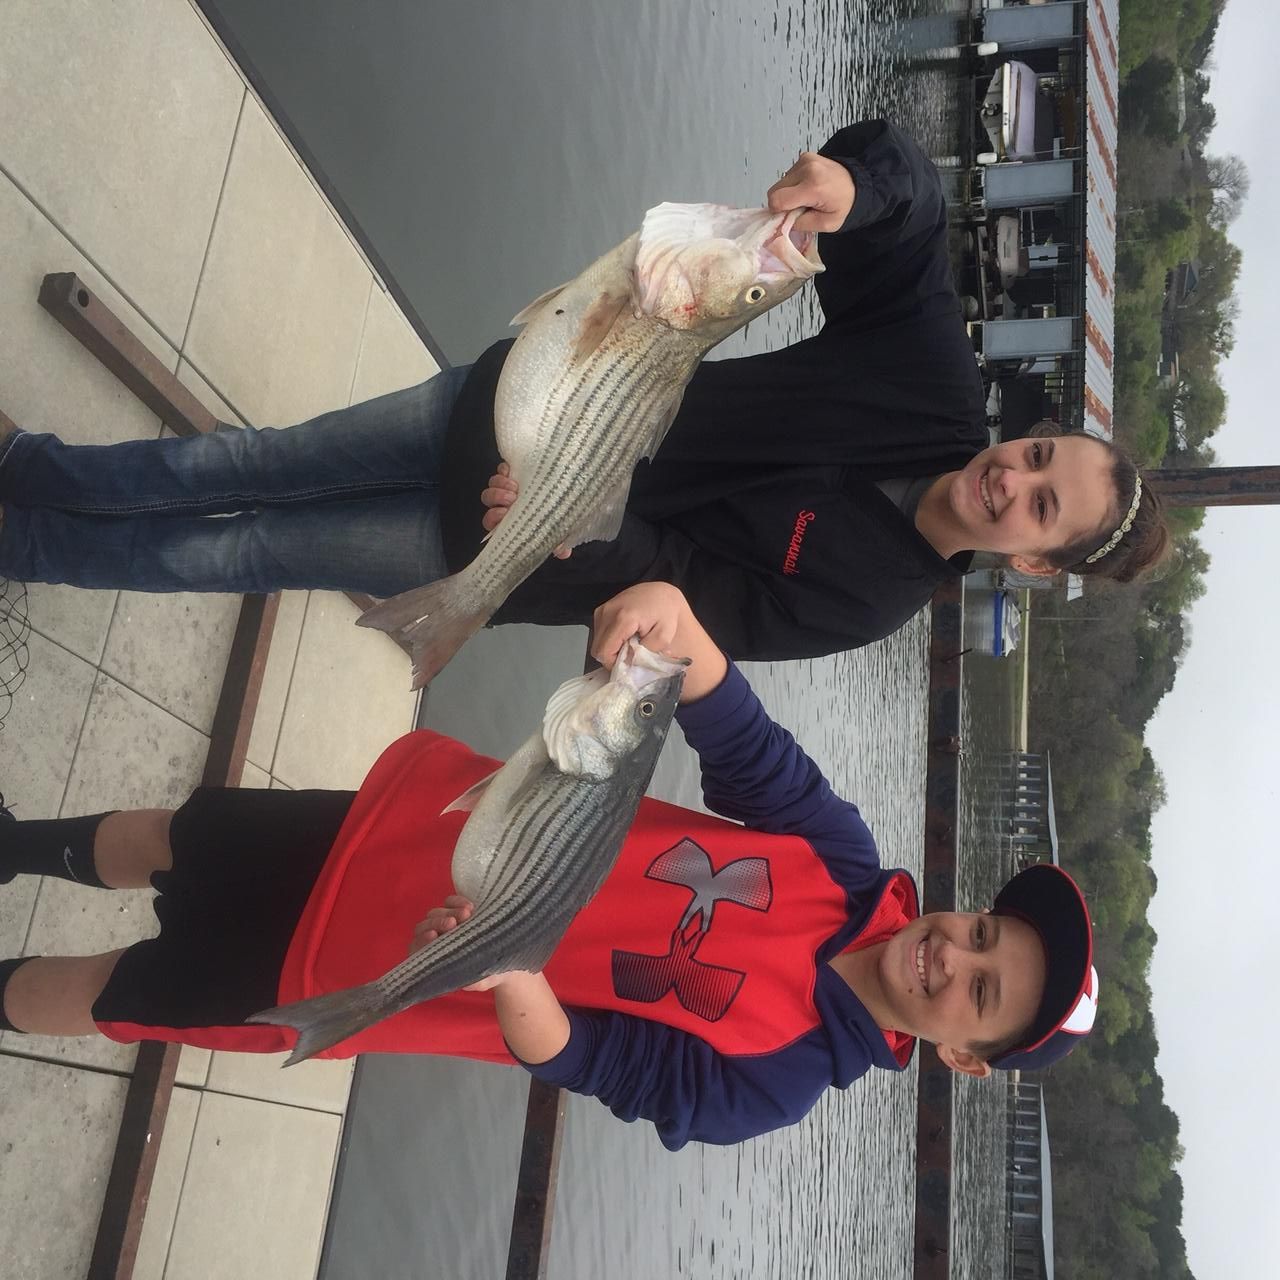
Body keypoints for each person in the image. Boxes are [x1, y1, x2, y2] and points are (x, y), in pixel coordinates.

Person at [0, 120, 1168, 662]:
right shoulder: (932, 386)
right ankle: (25, 469)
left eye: (1039, 506)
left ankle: (23, 542)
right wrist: (862, 192)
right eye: (1037, 455)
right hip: (505, 405)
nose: (1010, 477)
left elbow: (685, 603)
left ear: (1032, 563)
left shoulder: (865, 602)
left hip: (494, 537)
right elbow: (909, 220)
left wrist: (573, 524)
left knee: (241, 548)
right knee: (239, 462)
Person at [0, 583, 1097, 1150]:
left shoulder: (774, 1082)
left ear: (963, 1057)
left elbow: (587, 1059)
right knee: (182, 835)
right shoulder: (842, 859)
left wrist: (509, 970)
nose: (953, 954)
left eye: (979, 993)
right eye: (983, 933)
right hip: (401, 832)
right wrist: (677, 628)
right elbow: (744, 739)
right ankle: (13, 845)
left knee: (117, 989)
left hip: (363, 968)